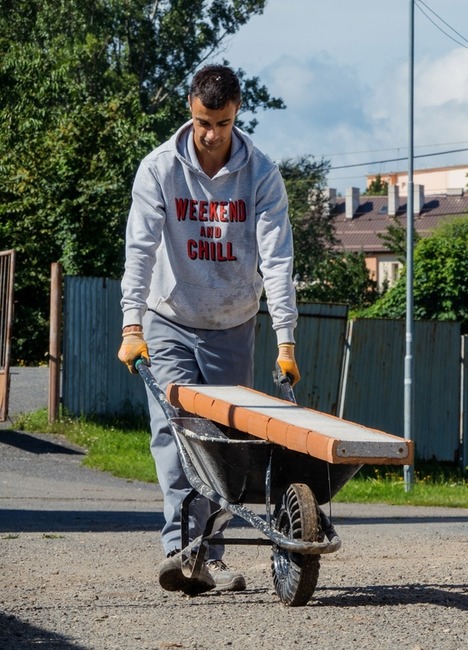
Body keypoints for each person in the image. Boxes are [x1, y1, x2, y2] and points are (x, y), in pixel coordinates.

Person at [117, 64, 300, 596]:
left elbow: (277, 260)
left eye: (221, 124)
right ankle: (182, 553)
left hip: (232, 323)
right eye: (202, 123)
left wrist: (285, 339)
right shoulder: (159, 168)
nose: (211, 134)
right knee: (175, 433)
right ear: (190, 111)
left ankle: (210, 556)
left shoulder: (261, 174)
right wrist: (132, 324)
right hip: (169, 318)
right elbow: (140, 249)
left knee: (223, 443)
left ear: (236, 113)